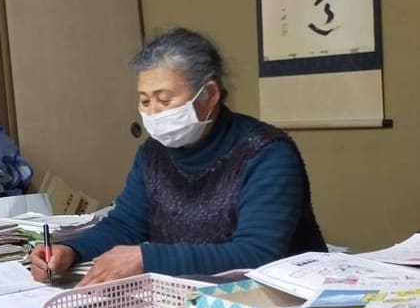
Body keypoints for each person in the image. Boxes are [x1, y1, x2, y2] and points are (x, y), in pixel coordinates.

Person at [29, 27, 325, 286]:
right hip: (188, 299)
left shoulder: (267, 154)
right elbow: (126, 226)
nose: (153, 112)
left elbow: (256, 254)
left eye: (165, 99)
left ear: (209, 94)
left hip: (276, 305)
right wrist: (72, 252)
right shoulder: (153, 155)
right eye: (144, 100)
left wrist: (148, 258)